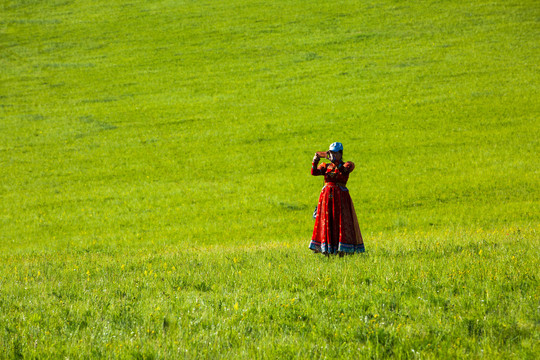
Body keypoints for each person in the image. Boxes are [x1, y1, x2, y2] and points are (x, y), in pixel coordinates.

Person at [309, 142, 365, 255]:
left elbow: (344, 171)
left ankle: (343, 249)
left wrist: (335, 161)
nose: (333, 155)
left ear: (340, 153)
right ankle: (327, 249)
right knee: (327, 221)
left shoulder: (347, 165)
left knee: (341, 221)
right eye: (331, 153)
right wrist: (315, 160)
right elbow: (314, 172)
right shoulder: (326, 166)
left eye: (335, 153)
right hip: (326, 198)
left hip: (341, 198)